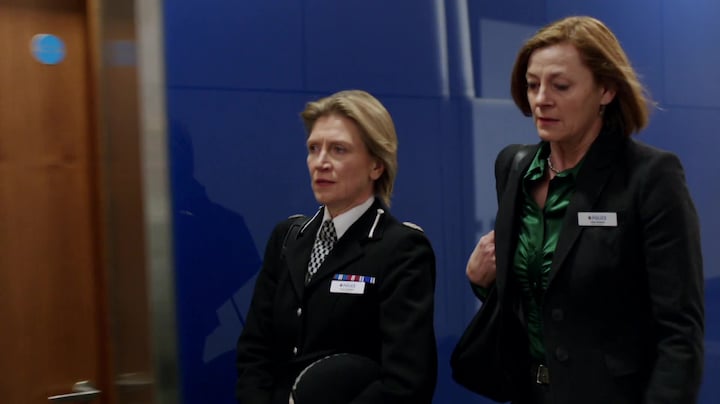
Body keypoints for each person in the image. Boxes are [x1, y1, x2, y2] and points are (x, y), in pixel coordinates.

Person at [462, 16, 704, 404]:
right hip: (529, 392)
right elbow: (540, 294)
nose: (541, 99)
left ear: (606, 90)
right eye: (533, 85)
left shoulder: (651, 177)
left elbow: (680, 333)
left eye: (560, 86)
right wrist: (484, 282)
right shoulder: (514, 167)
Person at [236, 89, 438, 404]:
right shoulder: (287, 238)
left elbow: (406, 381)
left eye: (338, 150)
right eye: (313, 149)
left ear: (376, 165)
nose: (321, 163)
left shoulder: (401, 248)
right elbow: (254, 352)